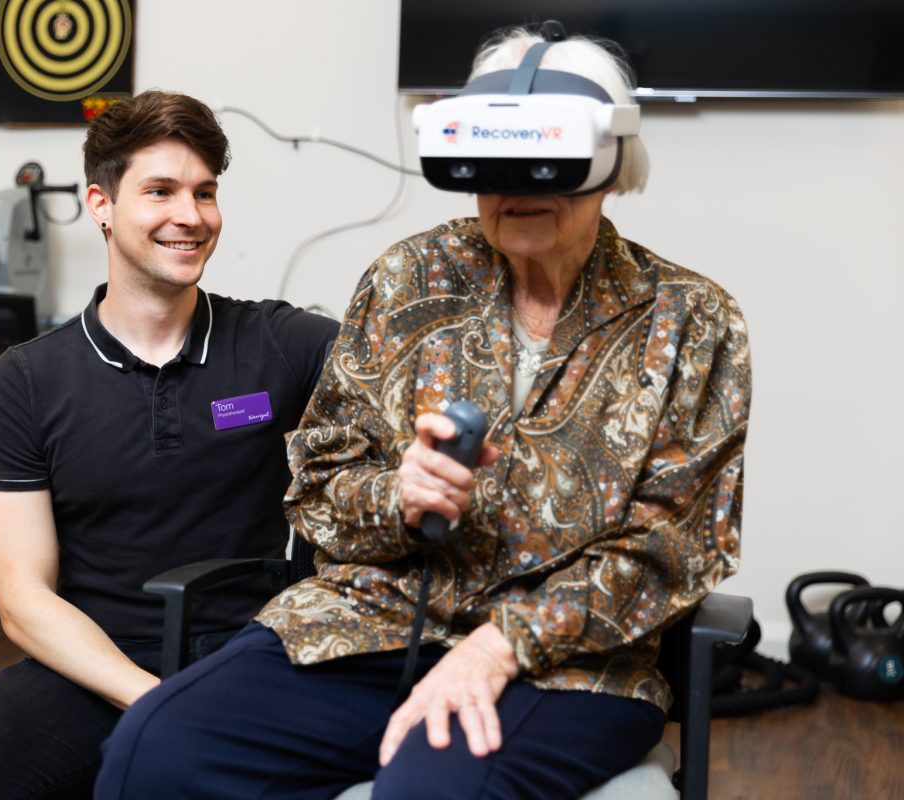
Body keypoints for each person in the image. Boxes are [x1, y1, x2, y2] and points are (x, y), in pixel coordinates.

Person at [95, 27, 752, 800]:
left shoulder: (690, 320)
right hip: (369, 627)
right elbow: (320, 485)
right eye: (493, 159)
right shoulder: (409, 280)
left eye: (547, 156)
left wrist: (499, 648)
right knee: (154, 751)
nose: (519, 184)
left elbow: (676, 548)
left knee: (429, 787)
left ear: (610, 163)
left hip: (566, 668)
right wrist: (396, 497)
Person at [0, 91, 338, 799]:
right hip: (94, 660)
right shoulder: (27, 380)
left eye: (205, 192)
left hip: (249, 654)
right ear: (101, 204)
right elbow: (22, 599)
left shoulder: (282, 345)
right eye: (160, 191)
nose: (190, 216)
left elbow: (405, 362)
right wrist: (148, 697)